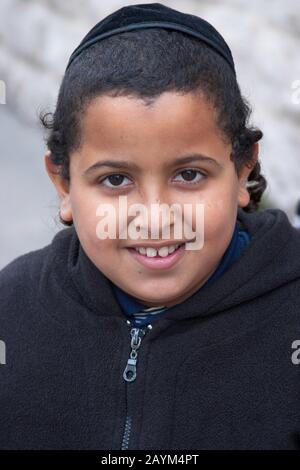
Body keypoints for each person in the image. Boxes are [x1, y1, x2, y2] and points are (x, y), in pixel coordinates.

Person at [1, 2, 300, 451]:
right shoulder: (13, 308)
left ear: (241, 171)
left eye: (189, 175)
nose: (155, 216)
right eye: (116, 180)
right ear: (63, 184)